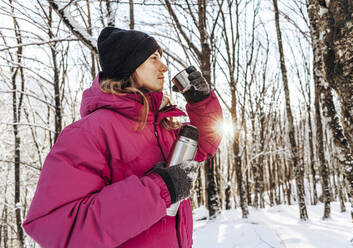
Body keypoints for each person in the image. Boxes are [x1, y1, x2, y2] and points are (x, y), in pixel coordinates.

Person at [23, 27, 222, 248]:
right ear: (129, 65)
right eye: (153, 58)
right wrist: (159, 190)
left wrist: (201, 102)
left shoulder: (159, 123)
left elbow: (202, 147)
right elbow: (56, 228)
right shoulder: (88, 133)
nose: (164, 67)